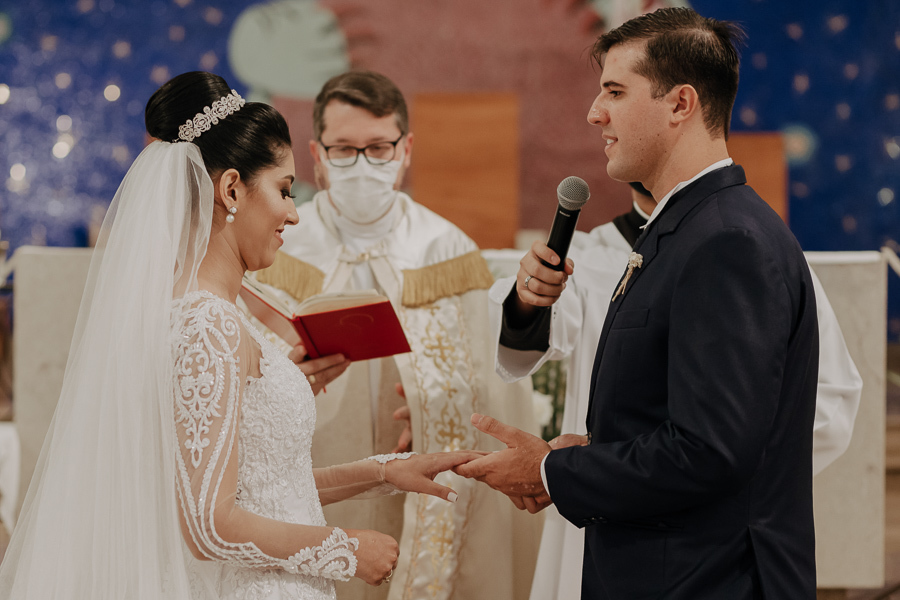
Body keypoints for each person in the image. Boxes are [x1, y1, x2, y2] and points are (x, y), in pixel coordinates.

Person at [0, 71, 480, 600]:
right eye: (284, 190)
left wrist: (384, 472)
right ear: (231, 189)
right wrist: (345, 549)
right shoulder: (209, 324)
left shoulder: (216, 312)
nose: (293, 213)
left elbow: (266, 489)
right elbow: (208, 524)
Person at [457, 8, 821, 598]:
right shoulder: (685, 228)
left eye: (616, 91)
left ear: (680, 104)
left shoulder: (726, 241)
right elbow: (681, 417)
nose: (594, 112)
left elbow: (710, 452)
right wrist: (593, 451)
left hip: (705, 580)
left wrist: (550, 470)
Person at [488, 182, 863, 599]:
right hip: (599, 502)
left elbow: (829, 395)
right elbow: (532, 334)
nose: (604, 138)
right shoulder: (593, 256)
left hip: (710, 540)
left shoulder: (742, 243)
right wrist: (528, 299)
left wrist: (724, 466)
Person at [246, 70, 541, 600]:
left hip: (414, 475)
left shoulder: (445, 249)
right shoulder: (277, 244)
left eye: (379, 148)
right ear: (317, 155)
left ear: (405, 150)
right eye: (343, 149)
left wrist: (437, 403)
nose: (362, 165)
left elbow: (496, 381)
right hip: (311, 469)